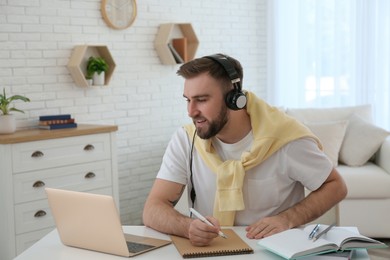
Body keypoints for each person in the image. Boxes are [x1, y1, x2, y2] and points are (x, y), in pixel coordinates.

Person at [143, 53, 347, 246]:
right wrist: (188, 227)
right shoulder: (187, 139)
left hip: (273, 249)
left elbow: (335, 186)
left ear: (234, 98)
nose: (191, 111)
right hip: (212, 250)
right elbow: (153, 208)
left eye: (202, 100)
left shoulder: (286, 138)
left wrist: (288, 219)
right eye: (188, 100)